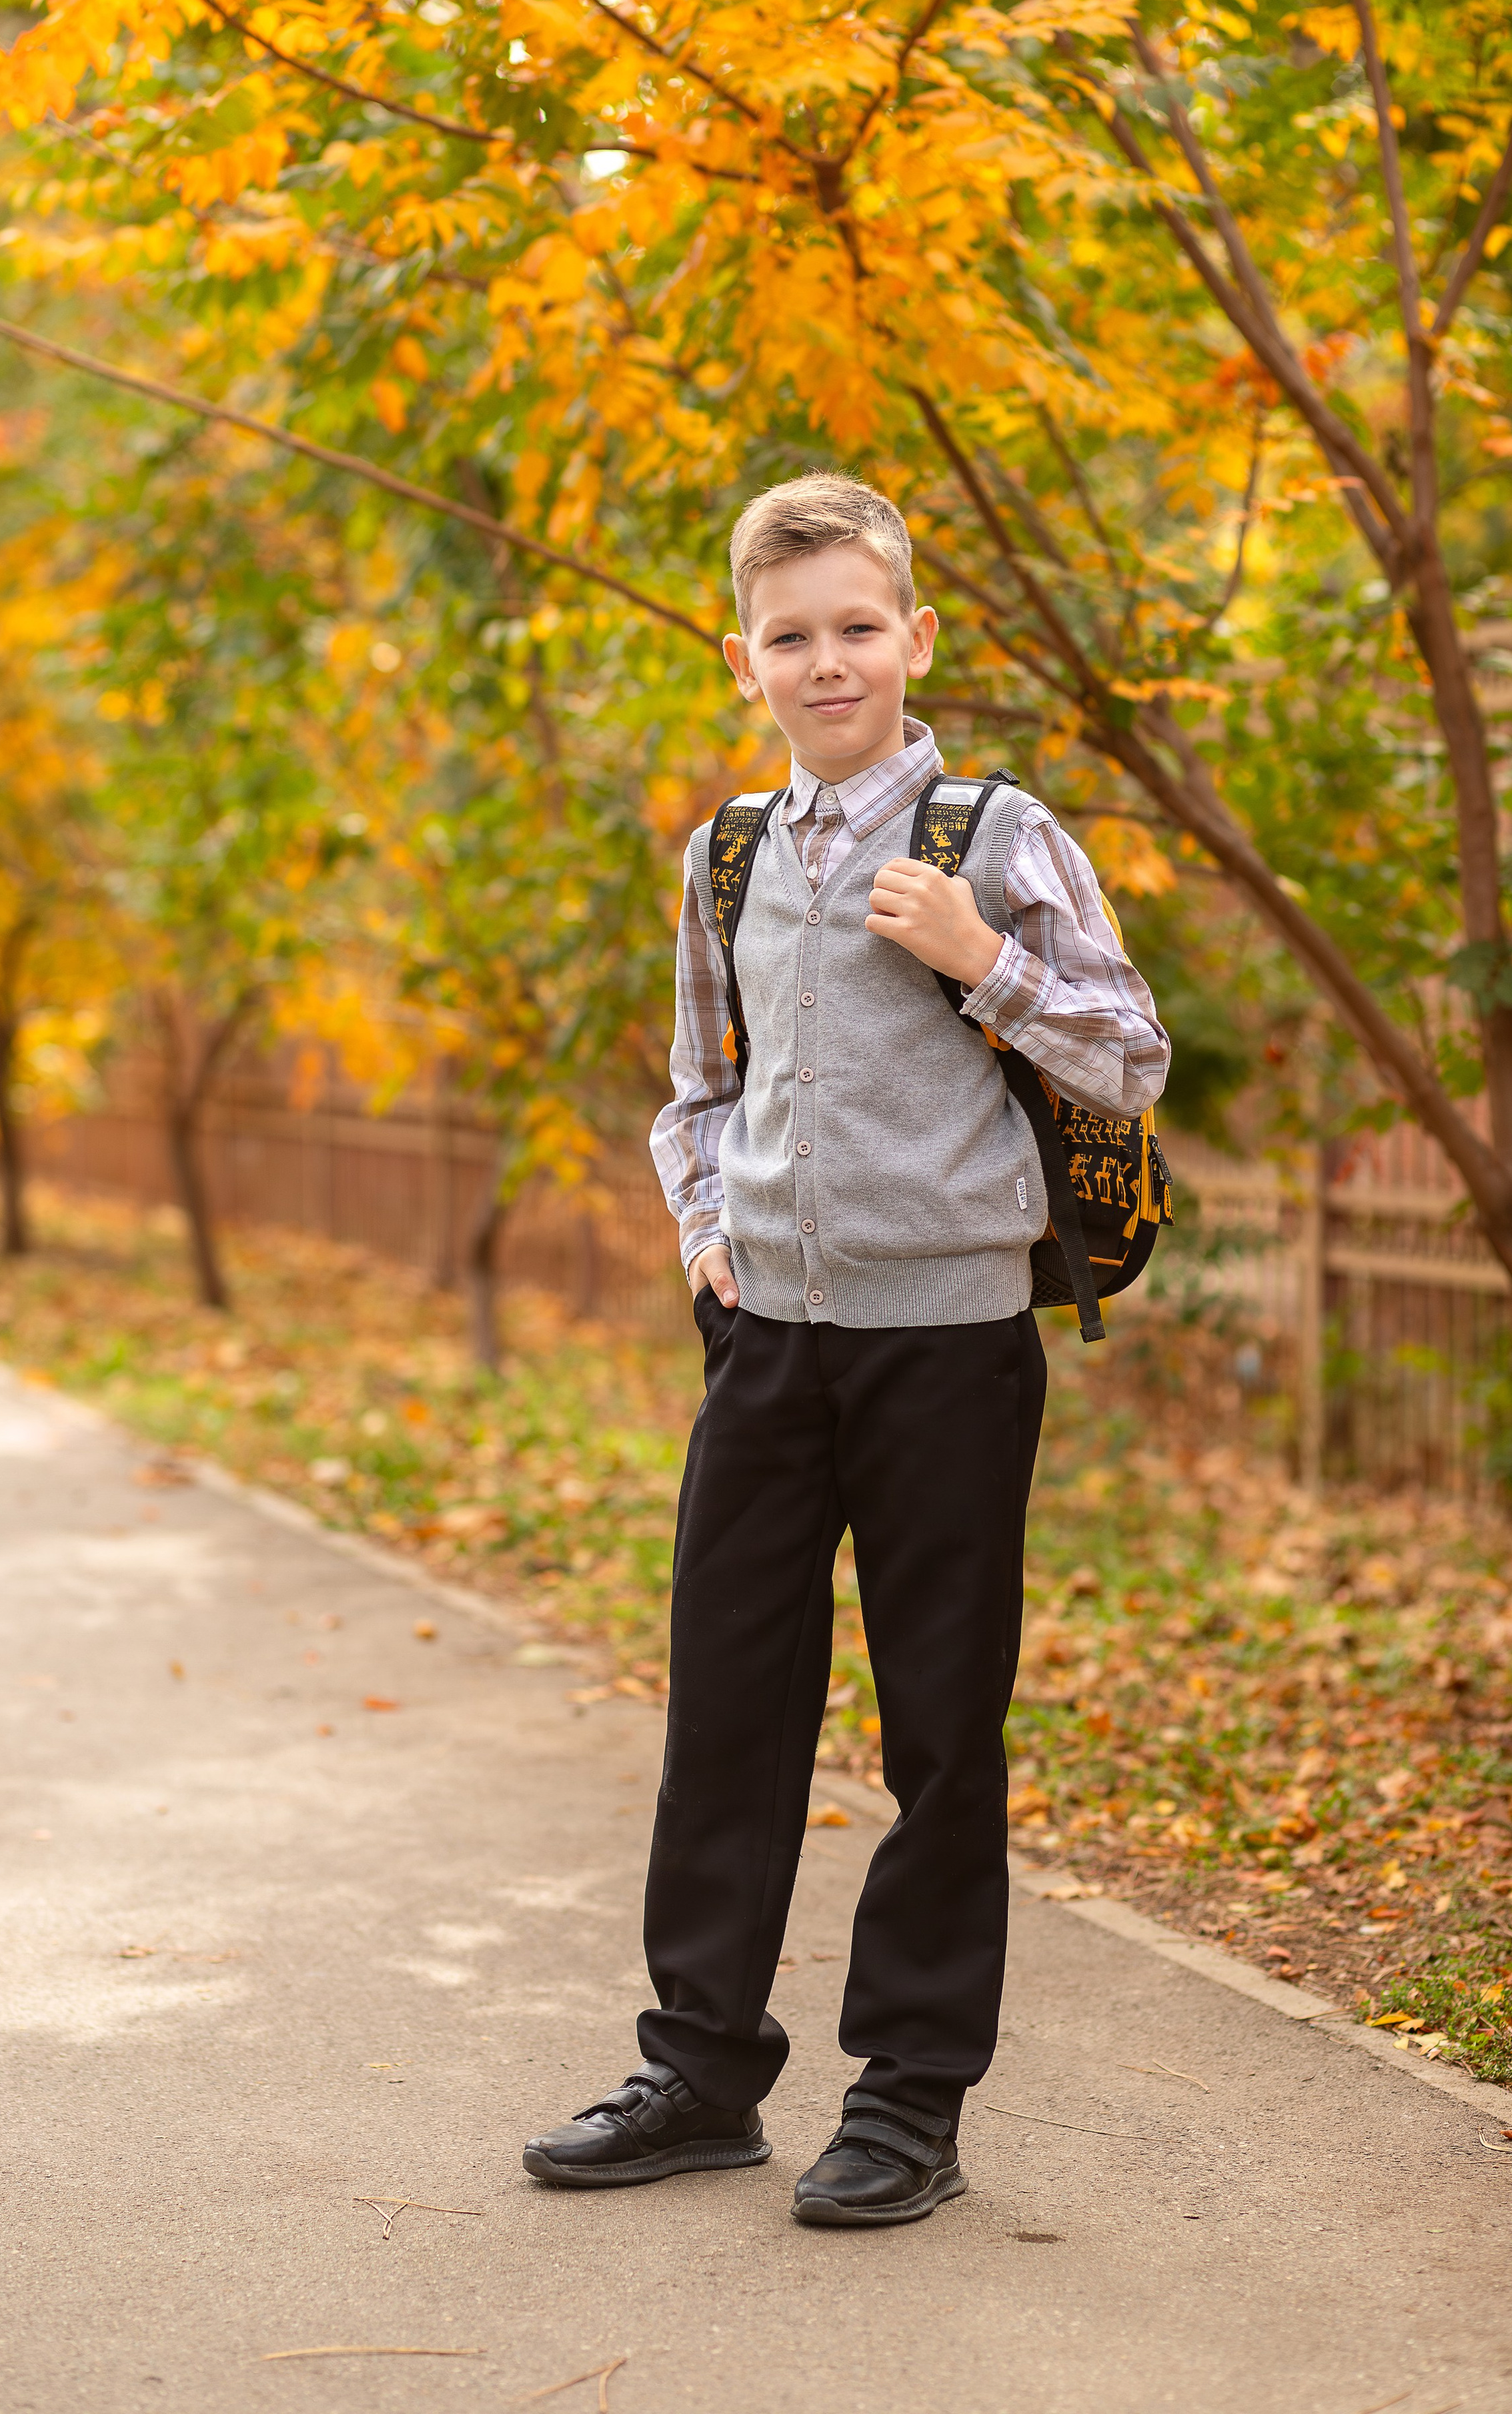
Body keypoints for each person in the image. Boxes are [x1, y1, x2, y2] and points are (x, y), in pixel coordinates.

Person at [522, 473, 1169, 2227]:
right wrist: (707, 1235)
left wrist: (984, 965)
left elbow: (1133, 1052)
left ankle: (911, 2095)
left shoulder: (996, 834)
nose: (829, 663)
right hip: (767, 1344)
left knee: (941, 1724)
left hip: (949, 1348)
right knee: (728, 1705)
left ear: (916, 639)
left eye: (858, 630)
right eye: (793, 638)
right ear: (748, 658)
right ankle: (701, 2069)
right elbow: (696, 1092)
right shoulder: (726, 850)